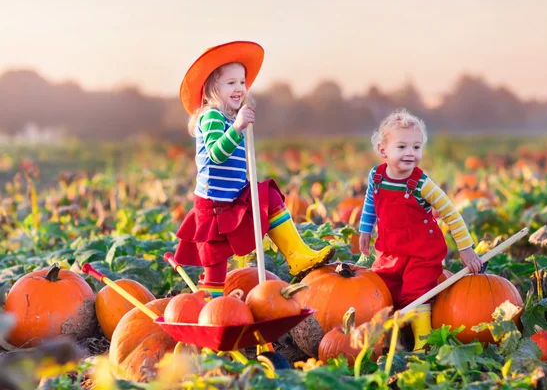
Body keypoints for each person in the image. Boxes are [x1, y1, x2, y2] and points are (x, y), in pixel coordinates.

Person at [174, 41, 334, 298]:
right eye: (230, 83)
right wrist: (236, 127)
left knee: (268, 196)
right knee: (215, 264)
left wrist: (238, 124)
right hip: (214, 205)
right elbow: (216, 153)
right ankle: (212, 309)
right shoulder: (211, 116)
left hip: (235, 195)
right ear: (211, 89)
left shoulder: (230, 116)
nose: (239, 88)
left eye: (242, 82)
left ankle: (298, 255)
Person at [358, 108, 482, 351]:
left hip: (422, 253)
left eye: (416, 147)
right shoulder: (377, 175)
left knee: (416, 293)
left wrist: (466, 250)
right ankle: (393, 340)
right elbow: (371, 202)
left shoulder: (422, 184)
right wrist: (365, 230)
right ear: (383, 150)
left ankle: (422, 343)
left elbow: (451, 214)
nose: (410, 153)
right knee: (385, 290)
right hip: (390, 250)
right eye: (402, 147)